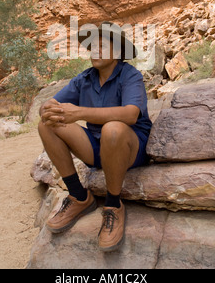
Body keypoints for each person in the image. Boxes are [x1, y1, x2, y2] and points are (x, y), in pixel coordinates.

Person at [38, 21, 152, 252]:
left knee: (113, 128)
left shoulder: (130, 75)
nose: (95, 51)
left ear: (118, 52)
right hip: (98, 148)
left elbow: (130, 115)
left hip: (128, 149)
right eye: (93, 47)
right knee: (46, 125)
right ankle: (79, 196)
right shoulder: (85, 78)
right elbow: (51, 106)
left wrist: (79, 112)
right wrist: (47, 108)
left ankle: (113, 205)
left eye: (103, 46)